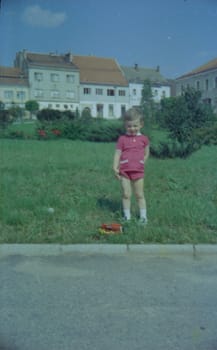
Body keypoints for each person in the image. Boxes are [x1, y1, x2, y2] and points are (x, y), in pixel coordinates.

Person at [113, 107, 150, 224]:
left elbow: (146, 152)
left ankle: (143, 217)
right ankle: (127, 217)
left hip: (138, 171)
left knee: (139, 194)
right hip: (124, 171)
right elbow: (118, 153)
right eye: (129, 126)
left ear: (141, 125)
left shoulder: (144, 139)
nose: (132, 128)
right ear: (125, 125)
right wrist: (115, 167)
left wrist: (142, 161)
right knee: (126, 194)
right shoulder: (122, 139)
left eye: (135, 126)